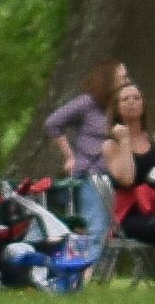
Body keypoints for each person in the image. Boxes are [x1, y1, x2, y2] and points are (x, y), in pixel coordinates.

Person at [44, 59, 127, 259]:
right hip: (92, 176)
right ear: (109, 80)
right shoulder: (87, 103)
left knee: (107, 229)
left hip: (115, 177)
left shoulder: (121, 107)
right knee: (95, 227)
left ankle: (91, 273)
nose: (127, 81)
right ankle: (83, 274)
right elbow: (53, 123)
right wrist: (70, 156)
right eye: (123, 77)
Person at [102, 81, 155, 243]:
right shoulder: (111, 145)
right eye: (125, 99)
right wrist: (124, 140)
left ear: (143, 105)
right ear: (117, 108)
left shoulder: (152, 140)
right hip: (130, 214)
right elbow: (127, 180)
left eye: (136, 98)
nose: (131, 102)